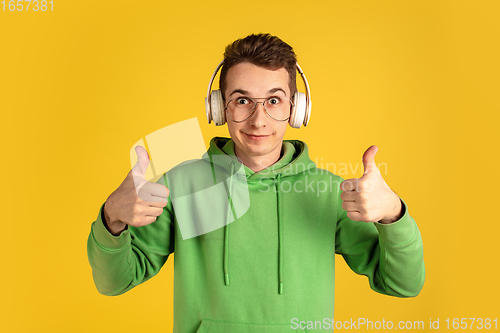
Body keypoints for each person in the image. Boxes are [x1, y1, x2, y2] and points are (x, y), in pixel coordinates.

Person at [87, 33, 425, 332]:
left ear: (296, 109)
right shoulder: (182, 184)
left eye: (274, 101)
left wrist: (393, 215)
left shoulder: (328, 192)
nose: (258, 119)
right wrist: (112, 219)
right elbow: (115, 282)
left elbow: (403, 285)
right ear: (219, 108)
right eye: (242, 100)